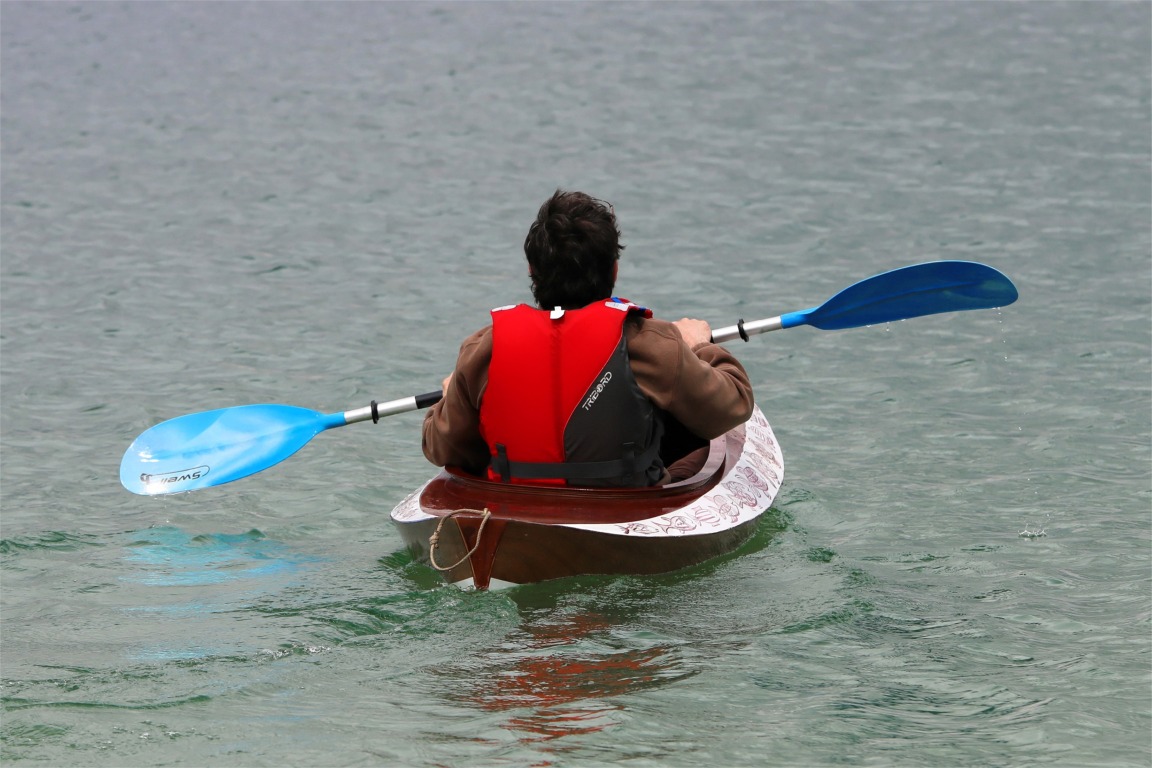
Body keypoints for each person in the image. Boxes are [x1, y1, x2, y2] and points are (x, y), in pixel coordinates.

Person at [422, 189, 754, 487]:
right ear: (614, 271)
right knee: (712, 448)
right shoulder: (652, 343)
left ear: (532, 271)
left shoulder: (482, 351)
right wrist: (698, 345)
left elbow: (441, 448)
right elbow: (734, 405)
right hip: (620, 509)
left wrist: (449, 400)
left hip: (517, 504)